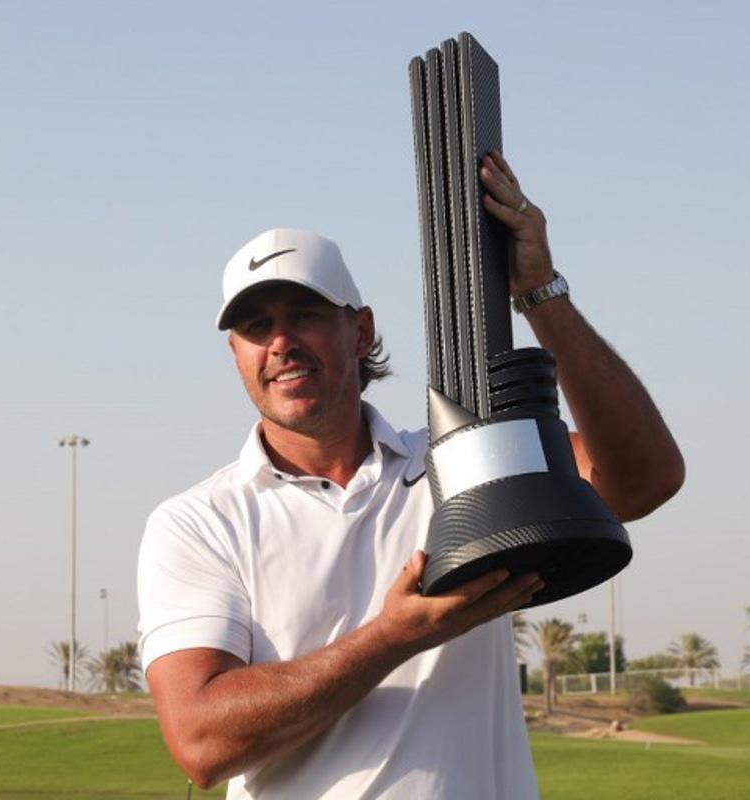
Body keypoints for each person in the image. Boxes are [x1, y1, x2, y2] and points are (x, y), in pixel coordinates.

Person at [136, 151, 684, 798]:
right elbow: (201, 744)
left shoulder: (463, 463)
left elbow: (644, 480)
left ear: (361, 330)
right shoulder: (200, 522)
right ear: (237, 355)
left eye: (306, 314)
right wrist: (396, 636)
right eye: (257, 327)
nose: (281, 341)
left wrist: (539, 294)